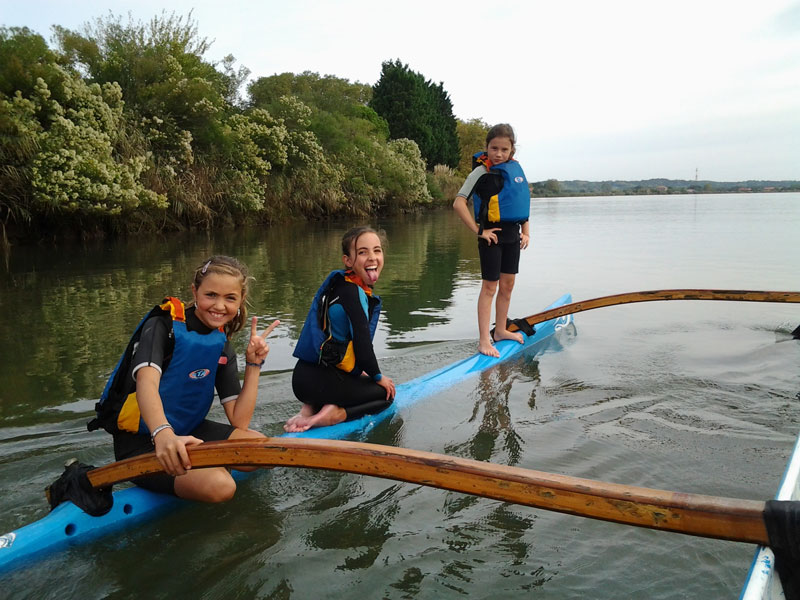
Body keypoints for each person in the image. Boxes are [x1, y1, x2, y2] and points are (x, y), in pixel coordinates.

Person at [87, 255, 279, 502]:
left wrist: (254, 364)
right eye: (211, 295)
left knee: (265, 453)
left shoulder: (221, 345)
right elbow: (146, 383)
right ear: (195, 291)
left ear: (241, 300)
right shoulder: (162, 325)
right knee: (222, 486)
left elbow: (239, 420)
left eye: (230, 298)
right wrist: (163, 434)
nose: (219, 306)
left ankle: (198, 473)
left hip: (191, 433)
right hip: (144, 442)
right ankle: (200, 476)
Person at [285, 226, 396, 432]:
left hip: (302, 380)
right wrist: (378, 377)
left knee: (359, 381)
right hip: (322, 382)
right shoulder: (353, 293)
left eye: (377, 250)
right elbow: (362, 345)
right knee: (386, 396)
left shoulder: (338, 285)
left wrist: (363, 374)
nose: (372, 257)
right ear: (348, 261)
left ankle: (309, 410)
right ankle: (334, 415)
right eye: (363, 252)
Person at [452, 123, 531, 357]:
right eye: (494, 148)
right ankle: (484, 340)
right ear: (486, 148)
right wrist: (479, 231)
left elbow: (522, 205)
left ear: (511, 151)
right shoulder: (481, 172)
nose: (498, 154)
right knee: (490, 287)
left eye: (504, 149)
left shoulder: (515, 170)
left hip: (512, 235)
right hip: (491, 237)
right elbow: (458, 203)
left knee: (507, 286)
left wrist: (526, 231)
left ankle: (501, 331)